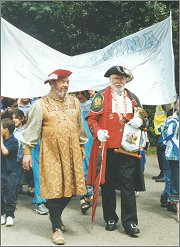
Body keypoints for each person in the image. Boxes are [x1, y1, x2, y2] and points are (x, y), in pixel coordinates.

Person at [20, 69, 88, 245]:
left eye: (67, 82)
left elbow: (80, 126)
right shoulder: (40, 104)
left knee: (72, 189)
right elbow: (30, 131)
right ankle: (56, 228)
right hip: (51, 152)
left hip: (72, 151)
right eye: (62, 81)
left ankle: (54, 216)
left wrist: (81, 146)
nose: (65, 85)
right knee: (53, 190)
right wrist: (27, 154)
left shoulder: (75, 102)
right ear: (51, 83)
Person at [86, 65, 148, 236]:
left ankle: (130, 222)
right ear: (110, 79)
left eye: (121, 78)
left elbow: (144, 118)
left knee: (128, 186)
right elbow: (91, 118)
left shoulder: (133, 98)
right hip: (107, 149)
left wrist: (140, 122)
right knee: (108, 185)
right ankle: (110, 217)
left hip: (128, 149)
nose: (118, 81)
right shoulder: (101, 96)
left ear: (126, 79)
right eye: (115, 78)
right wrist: (98, 131)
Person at [75, 90, 94, 214]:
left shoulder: (94, 105)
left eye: (82, 93)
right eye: (77, 93)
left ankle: (89, 195)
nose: (79, 96)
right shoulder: (74, 106)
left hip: (92, 142)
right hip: (78, 142)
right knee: (81, 169)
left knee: (92, 168)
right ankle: (83, 198)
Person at [162, 98, 179, 222]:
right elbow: (166, 134)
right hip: (175, 154)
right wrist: (172, 117)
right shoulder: (173, 121)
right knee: (175, 180)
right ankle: (174, 203)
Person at [1, 118, 18, 227]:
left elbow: (5, 152)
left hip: (11, 172)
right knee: (1, 194)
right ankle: (2, 214)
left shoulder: (14, 141)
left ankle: (10, 215)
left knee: (10, 194)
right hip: (0, 170)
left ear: (6, 130)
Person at [152, 104, 172, 182]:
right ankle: (162, 172)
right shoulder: (159, 99)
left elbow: (169, 112)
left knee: (163, 153)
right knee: (159, 153)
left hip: (164, 128)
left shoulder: (166, 99)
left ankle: (165, 174)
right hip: (159, 128)